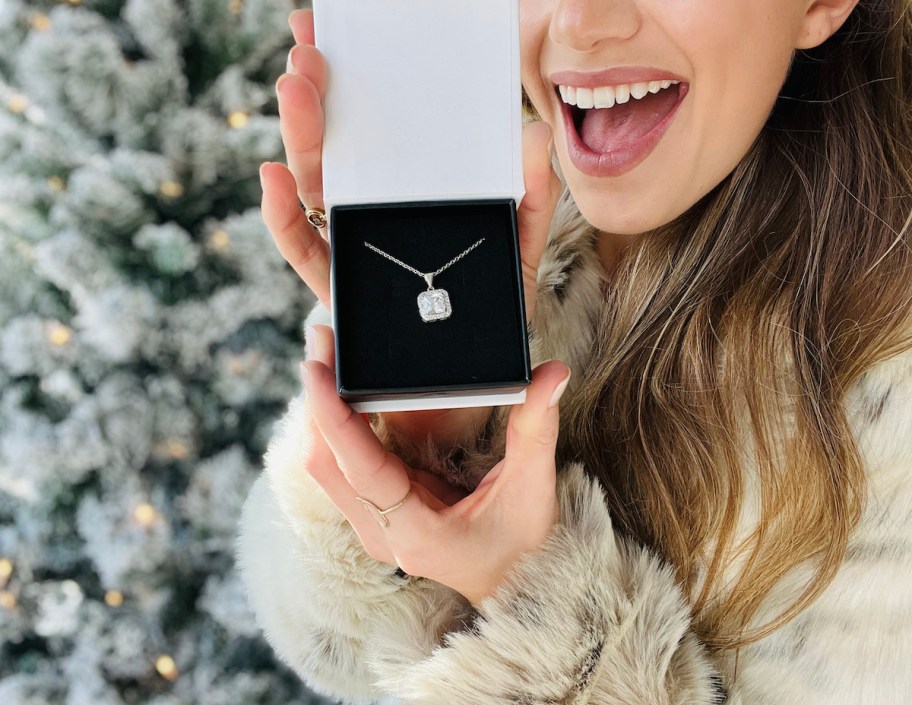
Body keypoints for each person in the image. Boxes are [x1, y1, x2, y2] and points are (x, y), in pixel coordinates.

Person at [236, 2, 912, 703]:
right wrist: (432, 445)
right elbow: (338, 651)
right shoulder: (488, 236)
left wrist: (530, 604)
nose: (579, 23)